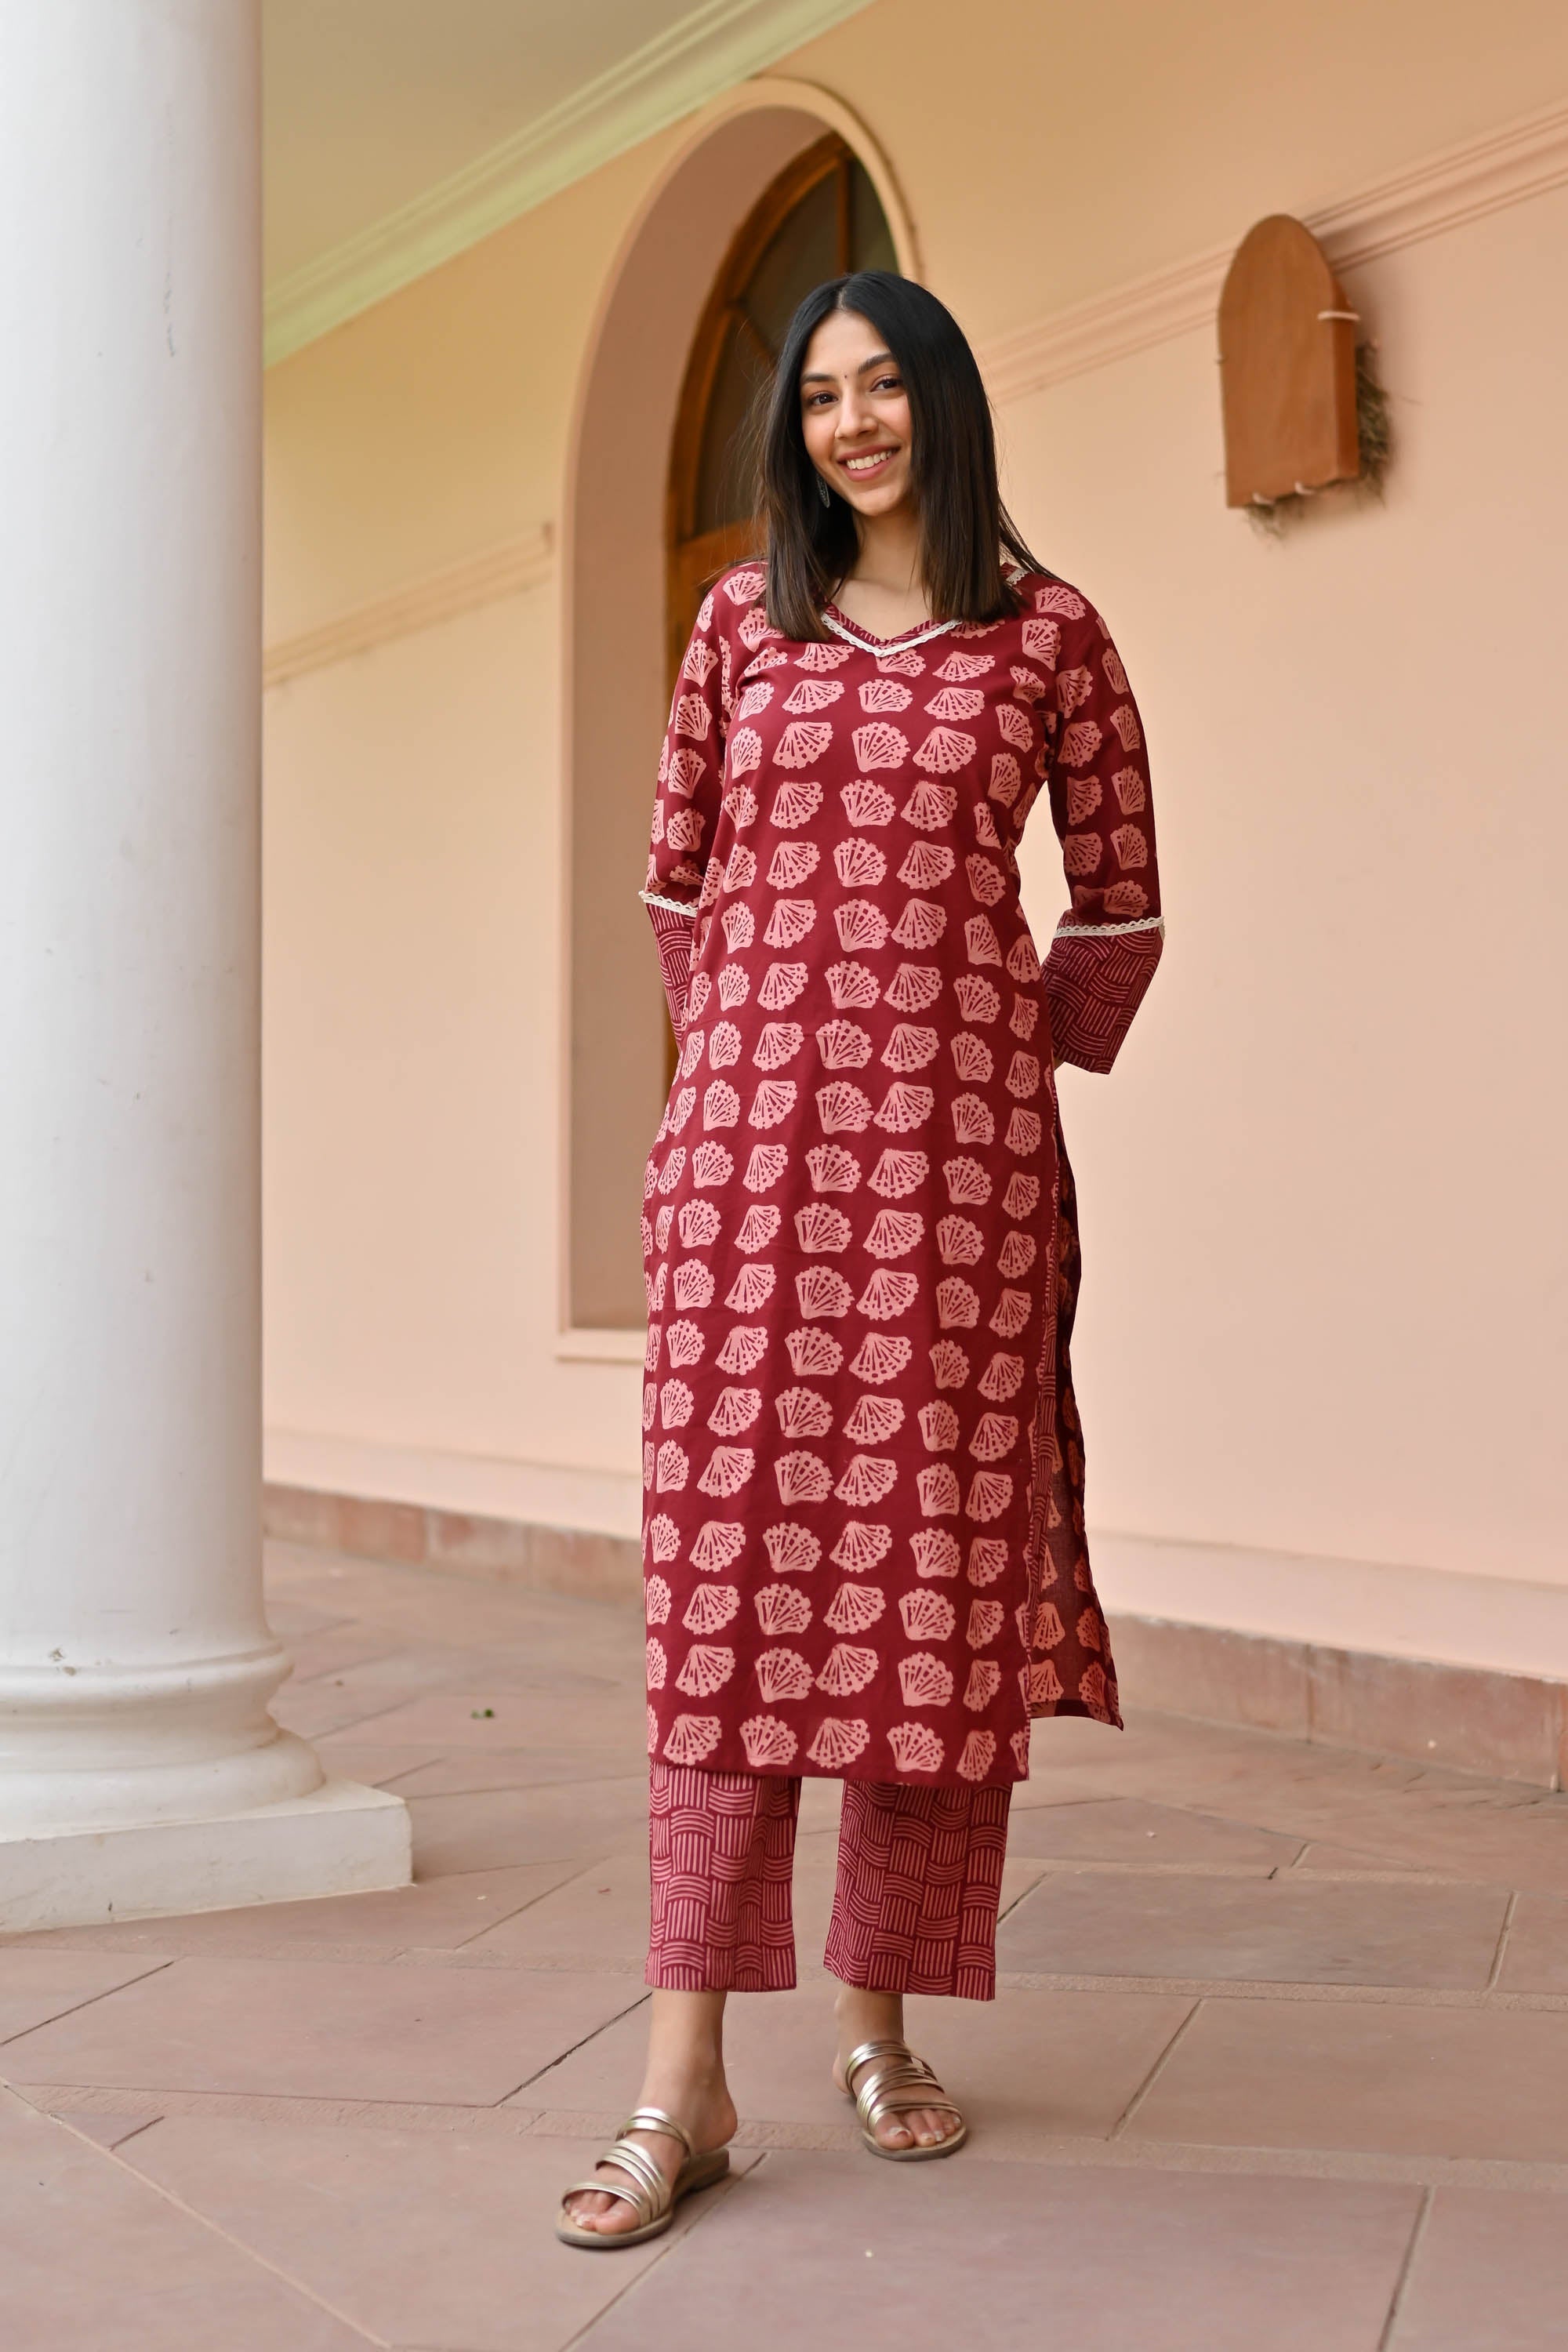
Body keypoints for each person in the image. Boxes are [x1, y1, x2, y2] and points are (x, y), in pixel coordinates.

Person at [557, 270, 1163, 2247]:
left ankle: (878, 2025)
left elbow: (1121, 908)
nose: (851, 423)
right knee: (726, 1602)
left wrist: (976, 1052)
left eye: (883, 386)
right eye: (819, 396)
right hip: (746, 1181)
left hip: (957, 1191)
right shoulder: (742, 621)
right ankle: (683, 2076)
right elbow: (673, 883)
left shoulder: (1046, 632)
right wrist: (760, 1057)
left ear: (942, 401)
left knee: (921, 1601)